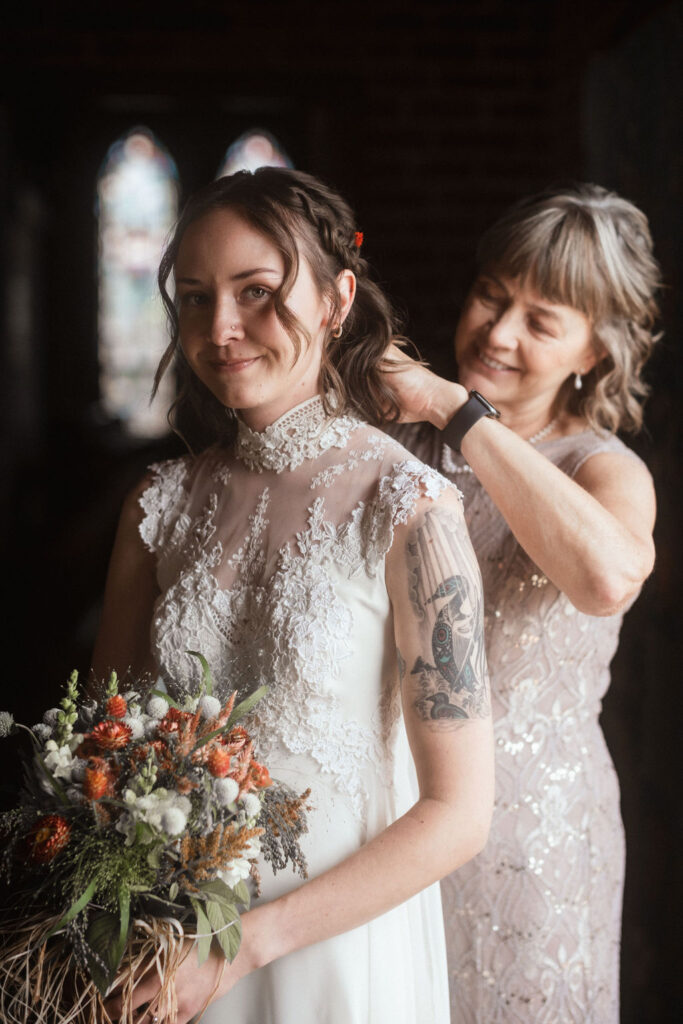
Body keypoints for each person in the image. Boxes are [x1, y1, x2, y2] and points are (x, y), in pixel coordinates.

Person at [93, 167, 494, 1024]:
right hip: (162, 949)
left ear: (334, 300)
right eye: (195, 298)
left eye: (257, 292)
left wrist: (241, 948)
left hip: (329, 950)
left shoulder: (409, 507)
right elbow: (104, 747)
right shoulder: (156, 506)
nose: (221, 328)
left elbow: (459, 813)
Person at [384, 184, 660, 1023]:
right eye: (490, 296)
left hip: (532, 839)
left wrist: (454, 409)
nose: (498, 333)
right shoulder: (395, 446)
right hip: (394, 823)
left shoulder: (600, 469)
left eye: (541, 322)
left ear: (593, 353)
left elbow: (607, 579)